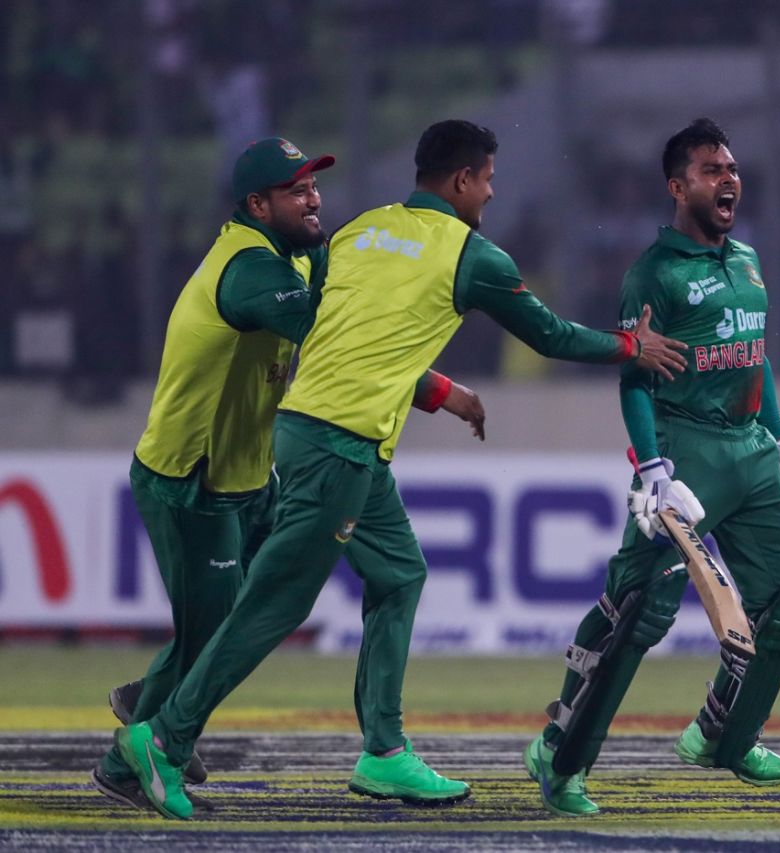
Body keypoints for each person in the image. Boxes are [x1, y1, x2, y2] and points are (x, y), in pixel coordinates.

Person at [110, 119, 688, 820]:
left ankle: (383, 751)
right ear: (463, 181)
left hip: (313, 431)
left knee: (399, 573)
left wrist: (440, 391)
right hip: (331, 443)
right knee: (275, 602)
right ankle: (163, 739)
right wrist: (633, 345)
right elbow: (549, 334)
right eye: (489, 181)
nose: (492, 193)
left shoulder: (358, 231)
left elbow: (346, 332)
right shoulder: (473, 255)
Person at [91, 137, 484, 813]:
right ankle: (136, 752)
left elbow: (348, 335)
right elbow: (344, 342)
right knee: (227, 628)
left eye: (314, 186)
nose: (314, 199)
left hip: (251, 477)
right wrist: (438, 385)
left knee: (385, 573)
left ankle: (155, 709)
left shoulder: (291, 256)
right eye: (296, 191)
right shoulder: (249, 271)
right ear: (256, 204)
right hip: (194, 484)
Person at [523, 118, 780, 817]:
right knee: (638, 606)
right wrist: (653, 468)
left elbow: (756, 355)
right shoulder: (653, 273)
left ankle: (723, 733)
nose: (729, 178)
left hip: (748, 450)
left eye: (732, 167)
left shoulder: (747, 260)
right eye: (711, 169)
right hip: (683, 451)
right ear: (677, 185)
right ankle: (560, 752)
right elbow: (633, 374)